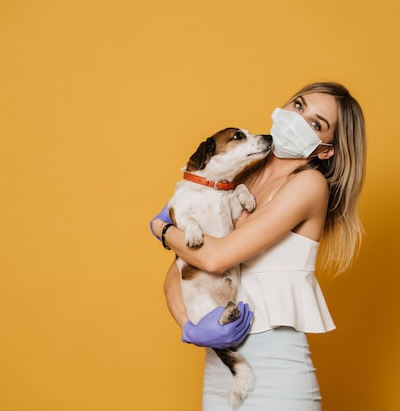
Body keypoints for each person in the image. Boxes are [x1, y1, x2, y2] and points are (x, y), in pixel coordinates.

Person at [150, 81, 366, 411]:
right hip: (224, 368)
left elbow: (214, 258)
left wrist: (162, 228)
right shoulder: (237, 183)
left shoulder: (309, 184)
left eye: (316, 123)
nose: (298, 118)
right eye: (298, 105)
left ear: (326, 149)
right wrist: (191, 329)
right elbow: (176, 276)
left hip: (277, 374)